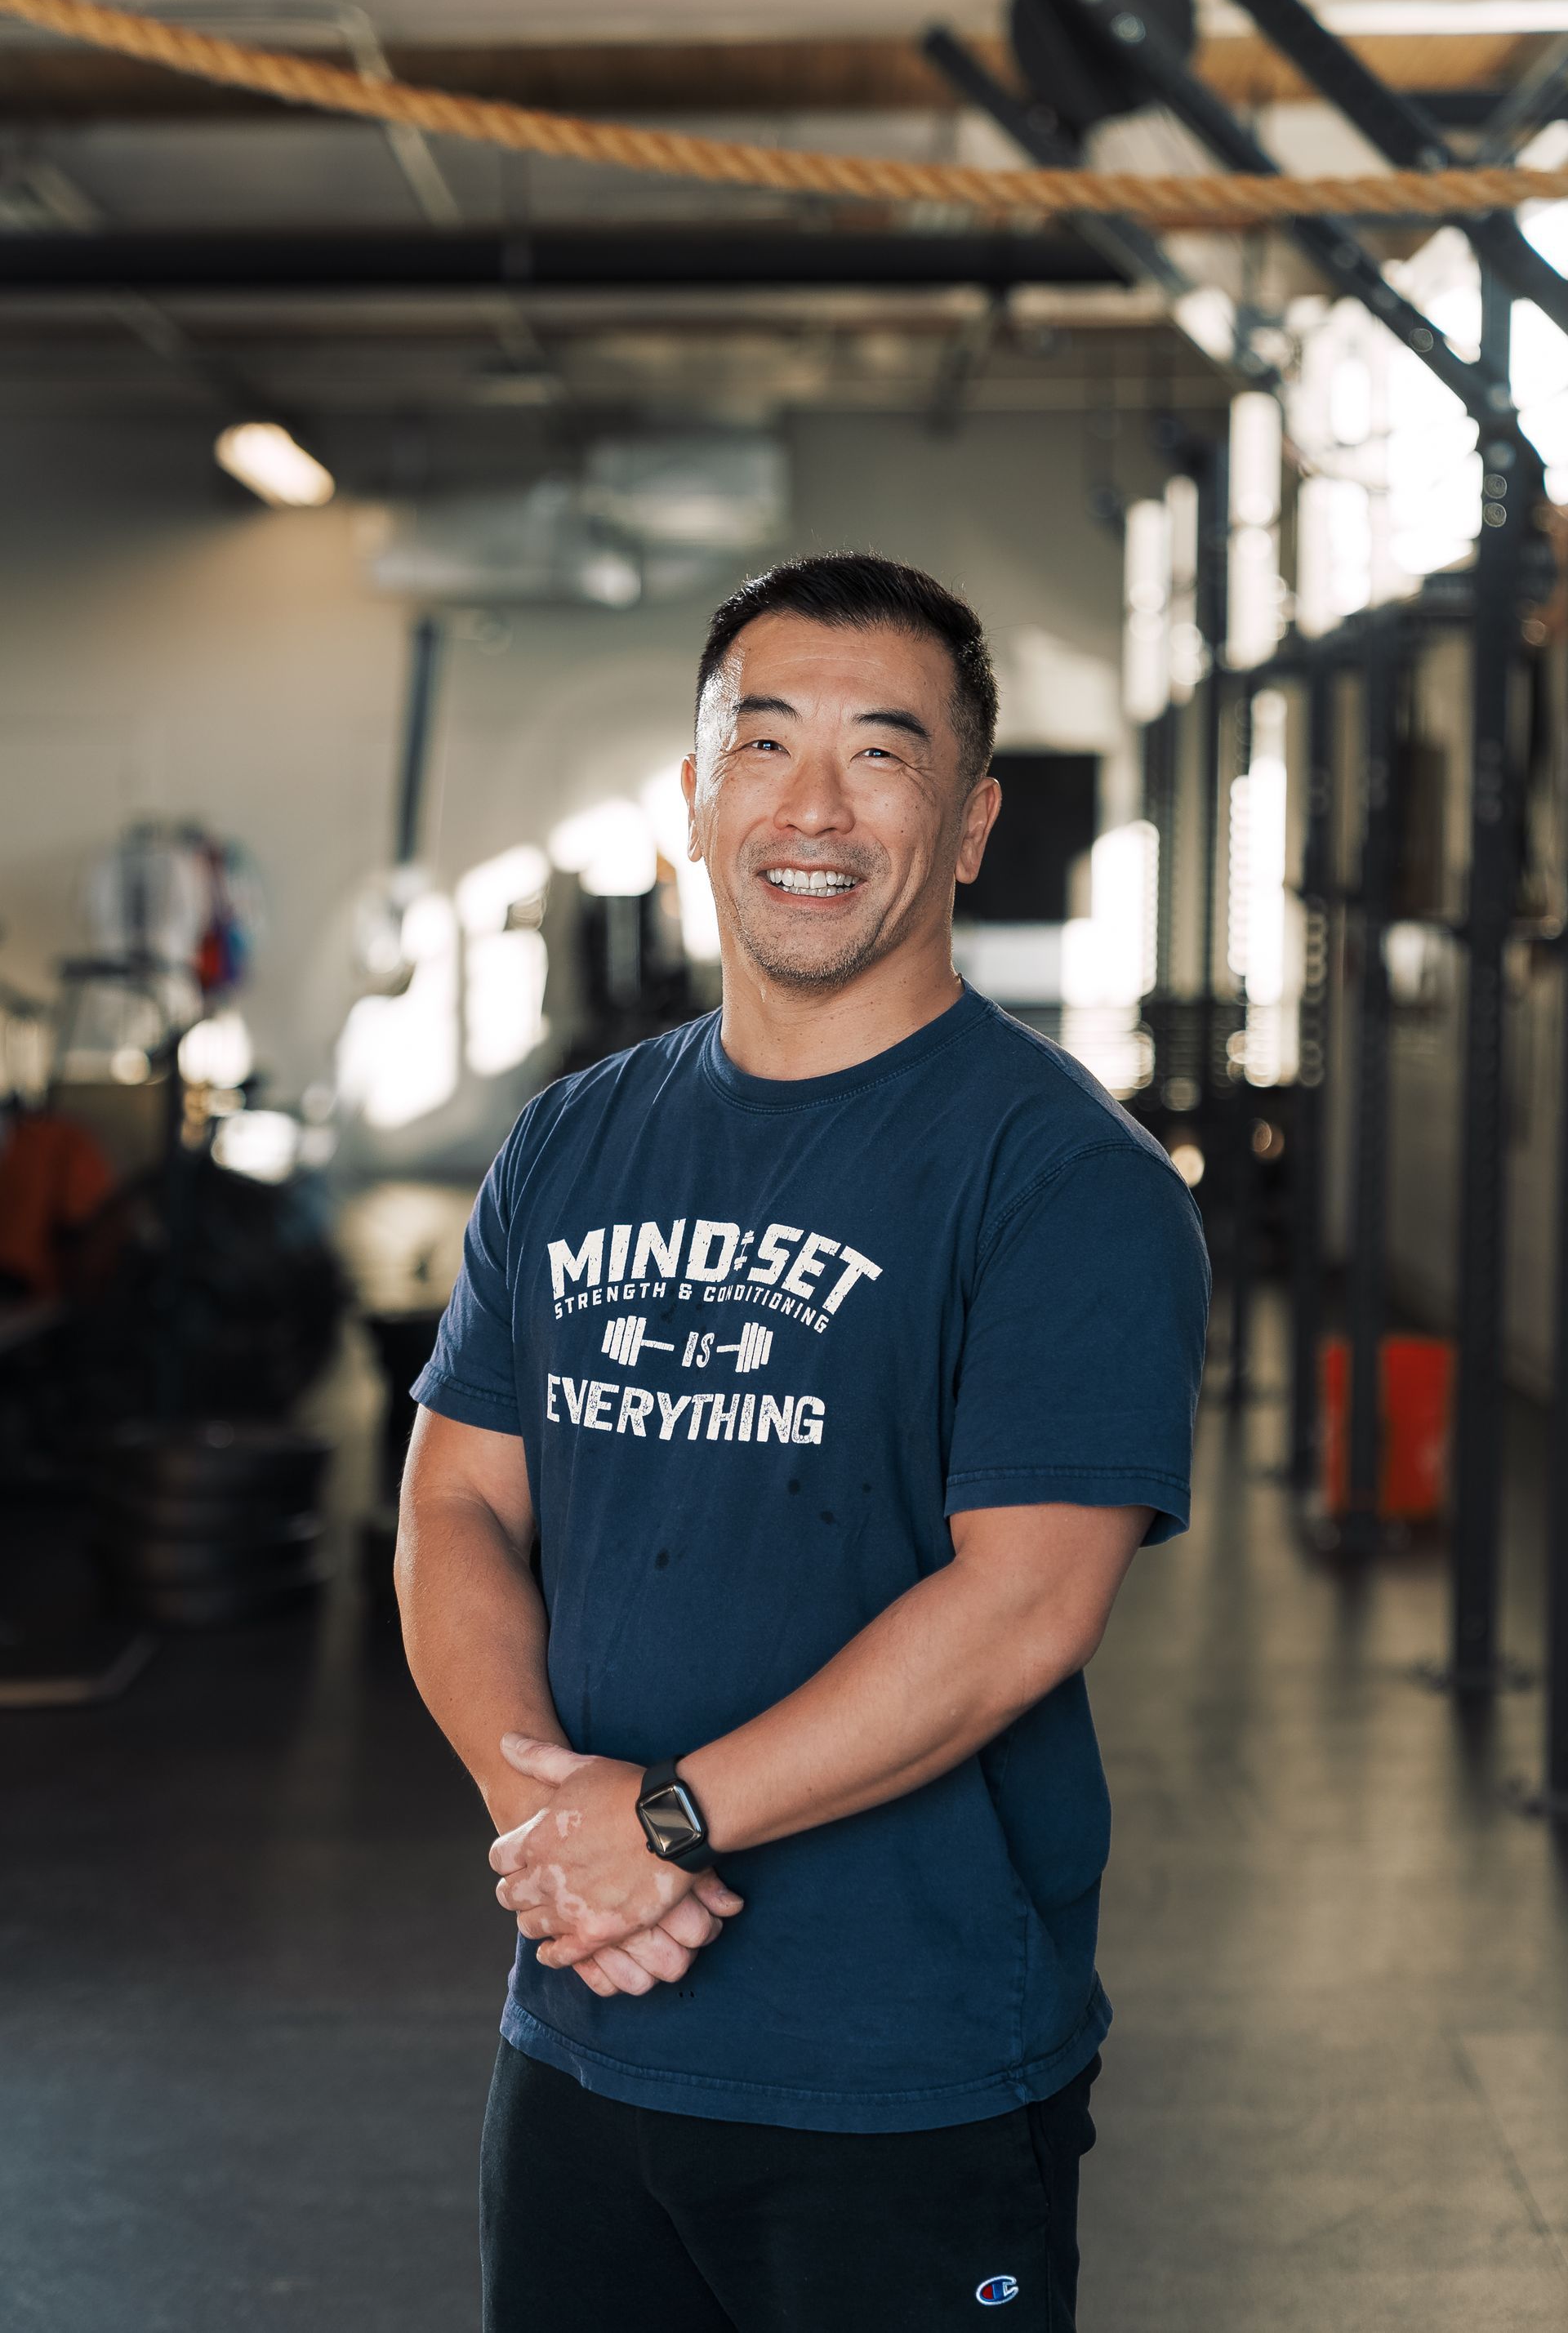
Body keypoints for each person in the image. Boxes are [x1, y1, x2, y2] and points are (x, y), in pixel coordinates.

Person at [397, 552, 1209, 2331]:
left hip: (901, 2069)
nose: (813, 807)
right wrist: (551, 1828)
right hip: (587, 2033)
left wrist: (666, 1824)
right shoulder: (572, 1141)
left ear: (975, 818)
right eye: (763, 745)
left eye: (885, 753)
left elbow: (1021, 1610)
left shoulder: (1068, 1183)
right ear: (697, 796)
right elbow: (455, 1497)